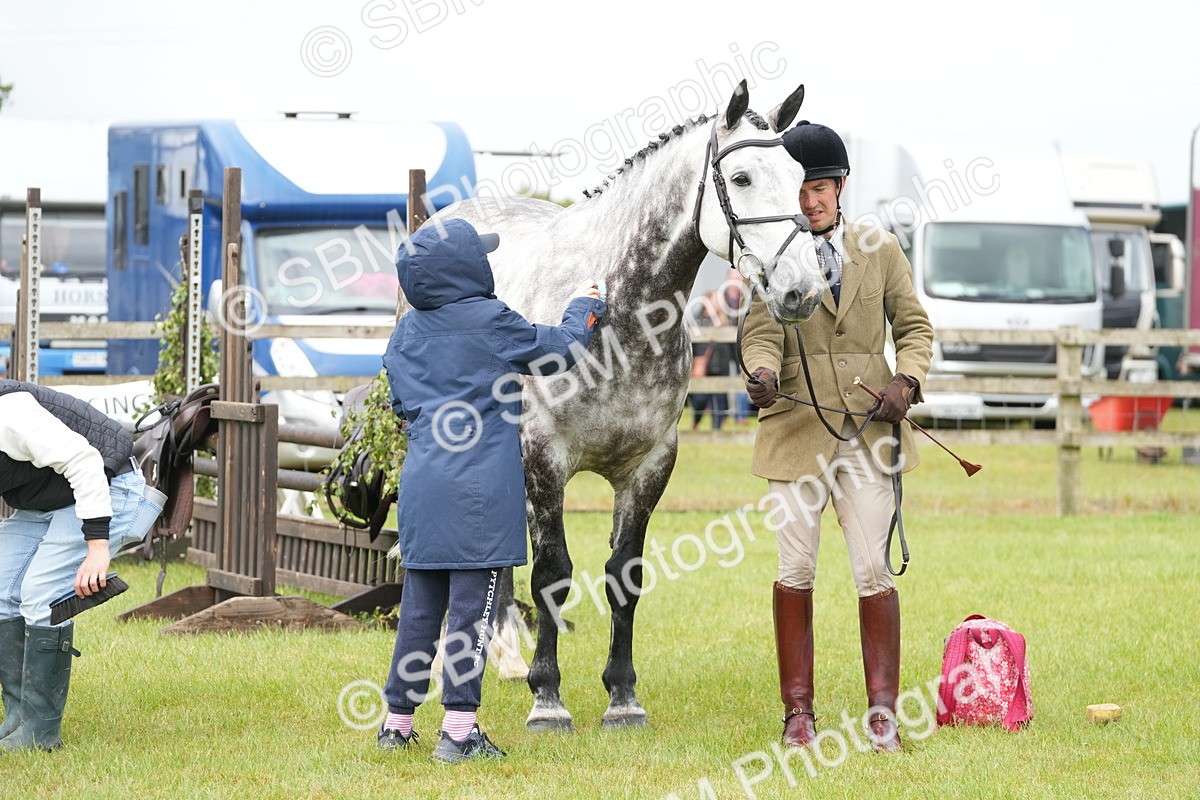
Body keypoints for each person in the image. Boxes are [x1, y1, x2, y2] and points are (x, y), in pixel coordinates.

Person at [378, 218, 605, 763]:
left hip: (423, 488)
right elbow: (562, 349)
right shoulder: (491, 320)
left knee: (419, 612)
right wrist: (584, 306)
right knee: (470, 617)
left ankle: (396, 724)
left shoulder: (406, 331)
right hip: (477, 495)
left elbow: (401, 403)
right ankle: (458, 733)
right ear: (464, 269)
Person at [740, 121, 934, 753]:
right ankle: (798, 714)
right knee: (795, 568)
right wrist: (762, 371)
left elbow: (914, 325)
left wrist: (907, 380)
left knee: (872, 568)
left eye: (819, 187)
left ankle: (882, 713)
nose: (809, 200)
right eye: (799, 188)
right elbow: (760, 330)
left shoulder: (878, 247)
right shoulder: (772, 252)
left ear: (841, 186)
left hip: (869, 433)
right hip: (796, 432)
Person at [0, 380, 164, 752]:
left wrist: (97, 549)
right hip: (44, 502)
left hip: (108, 486)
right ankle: (17, 719)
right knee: (1, 587)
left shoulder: (7, 414)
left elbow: (85, 462)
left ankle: (40, 734)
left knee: (39, 594)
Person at [688, 291, 734, 430]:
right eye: (716, 300)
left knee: (719, 401)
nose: (719, 303)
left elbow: (732, 345)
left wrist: (738, 365)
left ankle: (717, 429)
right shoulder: (697, 320)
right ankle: (696, 422)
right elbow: (692, 345)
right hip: (703, 366)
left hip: (721, 365)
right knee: (700, 399)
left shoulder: (725, 321)